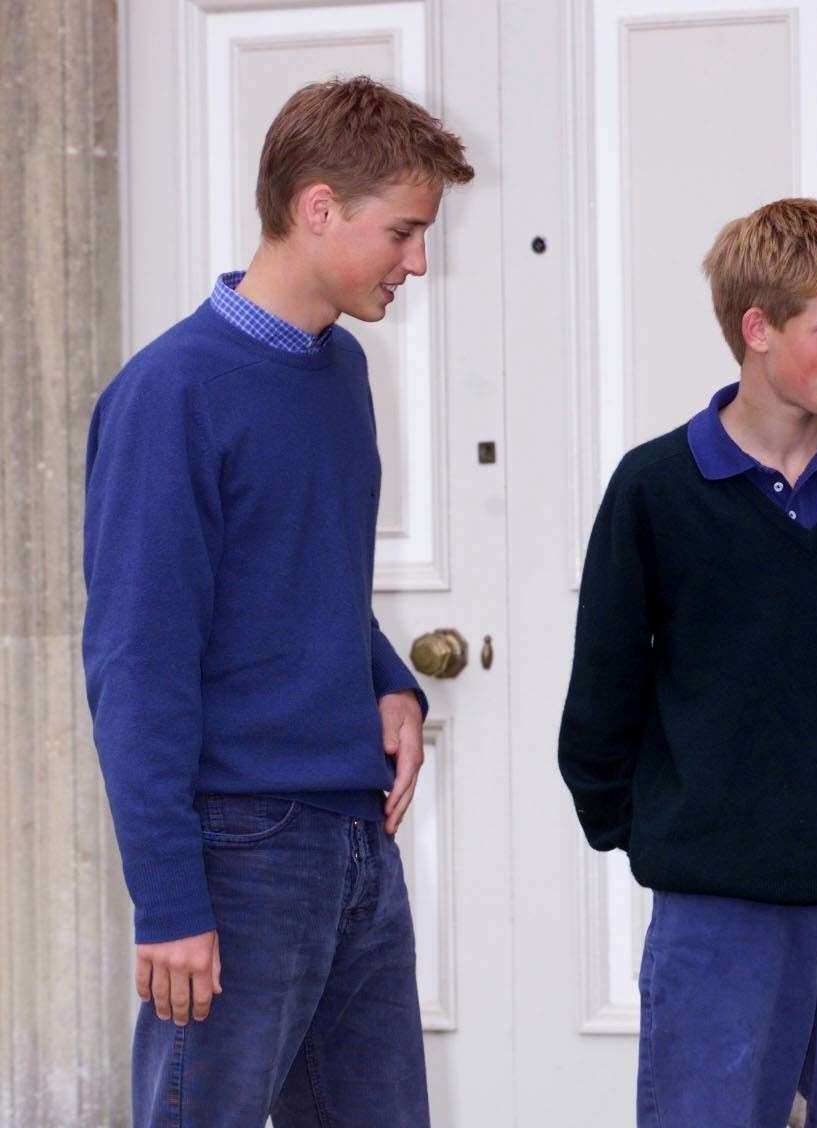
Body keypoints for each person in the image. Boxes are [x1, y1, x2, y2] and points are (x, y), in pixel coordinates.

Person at [83, 76, 473, 1124]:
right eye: (403, 231)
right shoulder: (173, 394)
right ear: (316, 208)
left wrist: (390, 681)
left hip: (352, 843)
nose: (419, 261)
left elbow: (313, 575)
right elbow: (136, 664)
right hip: (238, 850)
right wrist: (168, 899)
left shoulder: (341, 370)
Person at [558, 197, 817, 1126]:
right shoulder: (656, 489)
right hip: (719, 912)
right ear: (757, 330)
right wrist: (672, 832)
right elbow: (603, 695)